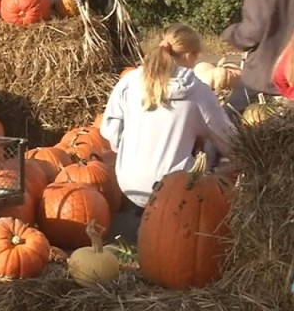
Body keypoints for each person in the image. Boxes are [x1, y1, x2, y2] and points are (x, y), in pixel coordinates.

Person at [99, 23, 237, 243]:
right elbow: (229, 143)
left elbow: (109, 130)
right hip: (176, 191)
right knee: (214, 154)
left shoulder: (129, 82)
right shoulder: (198, 92)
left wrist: (129, 148)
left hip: (129, 183)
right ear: (191, 55)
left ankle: (143, 219)